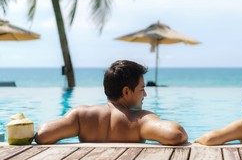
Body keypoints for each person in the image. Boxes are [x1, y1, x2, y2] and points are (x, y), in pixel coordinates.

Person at [34, 60, 188, 145]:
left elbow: (43, 134)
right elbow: (176, 134)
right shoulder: (140, 120)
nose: (145, 94)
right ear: (126, 91)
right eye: (142, 89)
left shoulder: (81, 115)